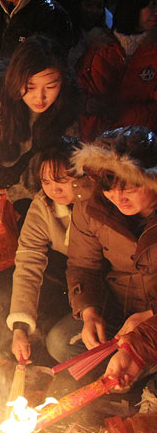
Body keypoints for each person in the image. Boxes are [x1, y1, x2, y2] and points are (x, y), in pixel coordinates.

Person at [0, 35, 81, 252]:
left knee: (20, 252)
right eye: (30, 86)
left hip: (34, 187)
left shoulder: (67, 102)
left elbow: (66, 152)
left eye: (50, 86)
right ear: (16, 79)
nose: (40, 97)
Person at [46, 126, 157, 368]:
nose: (118, 198)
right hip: (118, 310)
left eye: (130, 187)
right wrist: (89, 310)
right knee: (61, 341)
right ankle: (121, 375)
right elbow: (83, 265)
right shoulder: (90, 209)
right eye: (109, 187)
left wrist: (150, 318)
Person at [8, 137, 90, 362]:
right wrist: (20, 326)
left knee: (60, 342)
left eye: (62, 180)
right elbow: (28, 262)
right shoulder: (44, 205)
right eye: (46, 182)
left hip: (111, 292)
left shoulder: (102, 204)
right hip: (79, 286)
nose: (54, 190)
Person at [76, 0, 157, 142]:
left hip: (135, 148)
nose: (156, 11)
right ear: (133, 6)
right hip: (93, 146)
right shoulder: (99, 47)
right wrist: (87, 105)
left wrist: (124, 115)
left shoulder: (153, 55)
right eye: (152, 4)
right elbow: (77, 89)